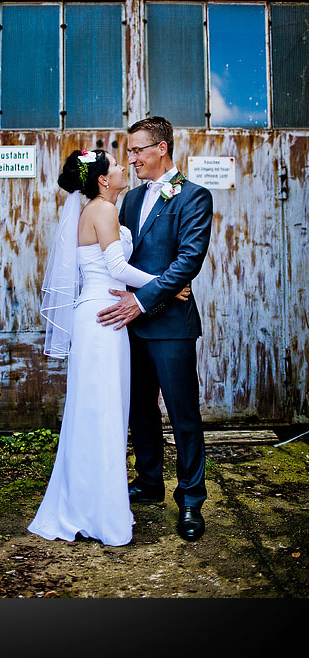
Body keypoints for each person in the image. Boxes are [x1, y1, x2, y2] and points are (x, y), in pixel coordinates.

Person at [28, 149, 191, 547]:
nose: (123, 167)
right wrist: (167, 284)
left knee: (103, 410)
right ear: (103, 179)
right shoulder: (102, 210)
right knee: (102, 412)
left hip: (109, 315)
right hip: (104, 318)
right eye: (116, 164)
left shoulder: (104, 208)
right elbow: (116, 270)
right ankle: (98, 511)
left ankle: (93, 502)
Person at [98, 116, 213, 542]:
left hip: (171, 327)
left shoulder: (194, 198)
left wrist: (144, 299)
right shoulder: (127, 202)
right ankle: (149, 484)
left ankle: (190, 501)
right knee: (140, 412)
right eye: (128, 152)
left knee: (183, 415)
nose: (131, 159)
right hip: (129, 326)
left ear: (161, 148)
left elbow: (188, 262)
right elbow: (119, 258)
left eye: (137, 151)